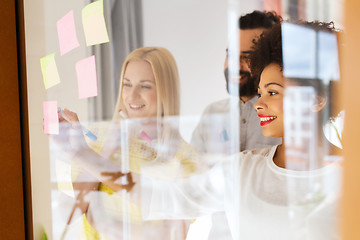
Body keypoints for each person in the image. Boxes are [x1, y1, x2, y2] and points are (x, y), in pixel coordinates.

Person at [144, 21, 342, 240]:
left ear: (316, 100)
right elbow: (169, 199)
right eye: (260, 92)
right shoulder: (242, 169)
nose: (259, 103)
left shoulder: (349, 175)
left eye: (273, 93)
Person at [55, 47, 197, 240]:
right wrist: (106, 150)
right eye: (126, 84)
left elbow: (170, 235)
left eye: (145, 86)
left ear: (166, 90)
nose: (131, 96)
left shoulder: (183, 157)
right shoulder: (96, 137)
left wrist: (104, 223)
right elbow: (75, 211)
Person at [191, 10, 282, 155]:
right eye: (231, 55)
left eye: (248, 57)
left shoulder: (282, 118)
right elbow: (193, 171)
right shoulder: (212, 114)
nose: (235, 66)